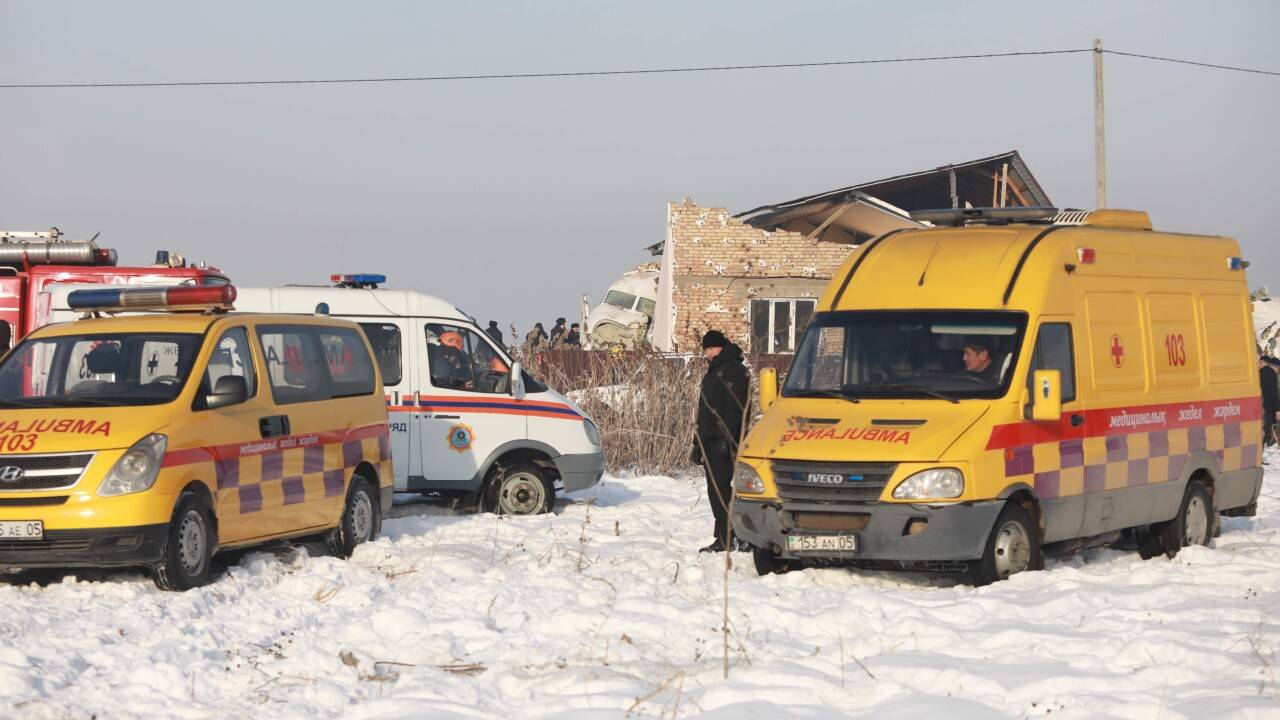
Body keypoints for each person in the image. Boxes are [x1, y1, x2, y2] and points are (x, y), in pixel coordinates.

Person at [692, 329, 749, 553]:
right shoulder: (718, 369)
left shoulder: (733, 370)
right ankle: (727, 535)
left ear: (719, 347)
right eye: (705, 350)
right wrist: (699, 443)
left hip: (723, 442)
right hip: (710, 440)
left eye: (708, 349)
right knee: (717, 490)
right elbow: (706, 410)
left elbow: (736, 410)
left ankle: (730, 537)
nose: (706, 354)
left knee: (721, 490)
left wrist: (726, 440)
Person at [1260, 355, 1280, 446]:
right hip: (1268, 408)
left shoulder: (1260, 372)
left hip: (1259, 405)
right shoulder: (1272, 374)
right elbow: (1273, 394)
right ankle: (1268, 447)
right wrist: (1277, 410)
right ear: (1276, 366)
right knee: (1268, 428)